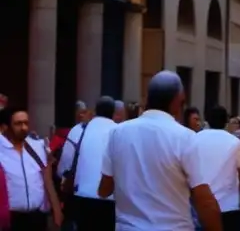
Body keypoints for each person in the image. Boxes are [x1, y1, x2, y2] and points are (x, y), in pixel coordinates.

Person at [99, 71, 221, 231]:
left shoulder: (117, 133)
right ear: (178, 100)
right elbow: (204, 199)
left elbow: (104, 189)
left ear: (147, 98)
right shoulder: (185, 138)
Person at [0, 106, 62, 231]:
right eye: (18, 124)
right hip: (10, 219)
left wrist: (57, 210)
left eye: (26, 123)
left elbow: (47, 179)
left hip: (37, 216)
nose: (24, 128)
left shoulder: (37, 146)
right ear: (5, 127)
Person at [194, 106, 240, 231]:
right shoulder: (234, 142)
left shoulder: (194, 139)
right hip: (229, 205)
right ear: (226, 121)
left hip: (201, 205)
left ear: (207, 120)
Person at [70, 96, 119, 230]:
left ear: (95, 111)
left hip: (82, 196)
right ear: (114, 113)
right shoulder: (119, 131)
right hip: (109, 199)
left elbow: (67, 163)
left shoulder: (78, 130)